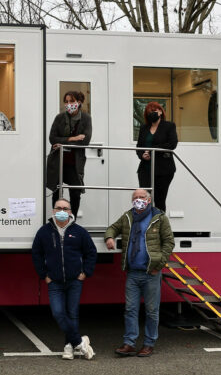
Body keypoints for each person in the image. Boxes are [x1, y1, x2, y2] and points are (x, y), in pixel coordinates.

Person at [104, 188, 175, 358]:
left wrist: (159, 264)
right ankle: (129, 343)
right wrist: (109, 237)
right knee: (130, 309)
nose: (138, 199)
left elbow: (169, 243)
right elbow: (112, 228)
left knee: (151, 311)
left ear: (149, 200)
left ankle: (149, 344)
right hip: (133, 273)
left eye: (141, 197)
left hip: (151, 273)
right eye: (135, 197)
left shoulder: (159, 217)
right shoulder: (128, 217)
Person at [31, 198, 97, 360]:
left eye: (65, 208)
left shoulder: (79, 231)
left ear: (70, 212)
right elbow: (36, 254)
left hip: (75, 281)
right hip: (54, 282)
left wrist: (85, 273)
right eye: (58, 208)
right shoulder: (44, 231)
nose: (61, 211)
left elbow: (91, 252)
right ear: (53, 211)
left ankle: (69, 346)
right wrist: (44, 275)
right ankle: (80, 342)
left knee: (72, 314)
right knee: (58, 313)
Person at [47, 90, 93, 217]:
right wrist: (71, 139)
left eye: (71, 101)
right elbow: (52, 138)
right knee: (56, 193)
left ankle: (72, 220)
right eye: (66, 102)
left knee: (75, 193)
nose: (68, 104)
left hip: (74, 163)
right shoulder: (59, 117)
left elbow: (85, 141)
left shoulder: (86, 118)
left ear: (79, 102)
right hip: (58, 161)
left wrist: (63, 144)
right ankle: (57, 220)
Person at [136, 102, 178, 212]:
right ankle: (143, 226)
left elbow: (172, 144)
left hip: (164, 170)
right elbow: (139, 147)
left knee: (159, 200)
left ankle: (159, 227)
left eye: (154, 111)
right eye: (149, 112)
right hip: (145, 169)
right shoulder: (144, 128)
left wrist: (152, 149)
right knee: (144, 199)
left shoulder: (169, 126)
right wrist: (142, 155)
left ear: (160, 112)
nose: (152, 114)